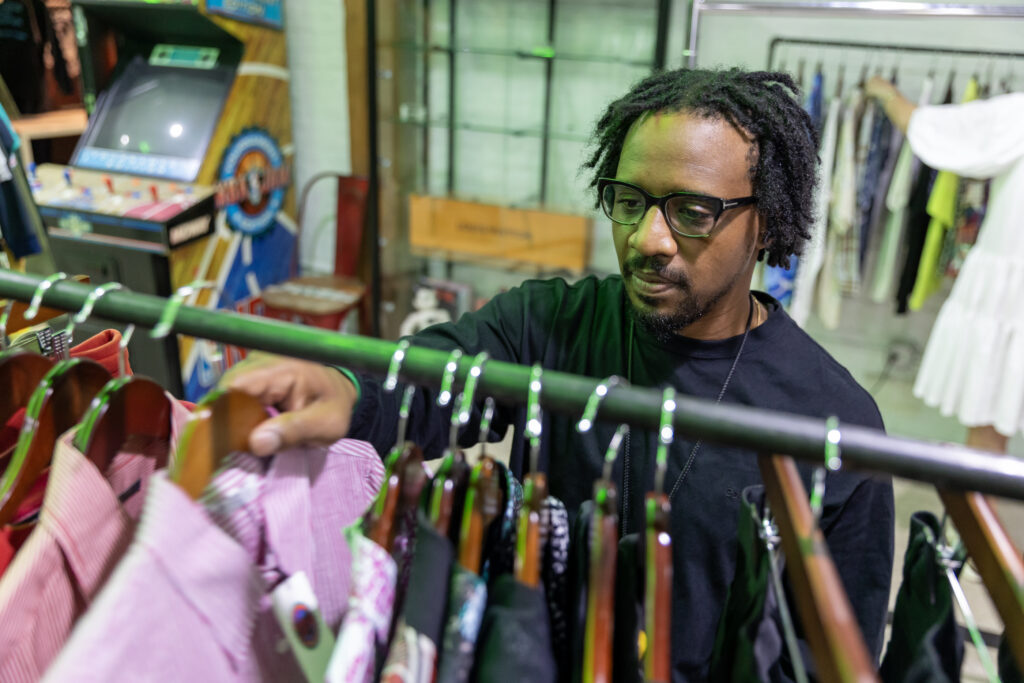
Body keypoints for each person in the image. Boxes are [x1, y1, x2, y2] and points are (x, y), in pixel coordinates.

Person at [227, 67, 895, 680]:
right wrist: (345, 388)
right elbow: (432, 380)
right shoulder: (549, 324)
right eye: (629, 200)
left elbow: (839, 655)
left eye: (692, 213)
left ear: (766, 222)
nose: (648, 239)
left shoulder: (835, 423)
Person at [866, 76, 1024, 454]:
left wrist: (886, 93)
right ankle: (975, 510)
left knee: (988, 417)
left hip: (1012, 289)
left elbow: (934, 131)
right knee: (991, 409)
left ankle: (974, 512)